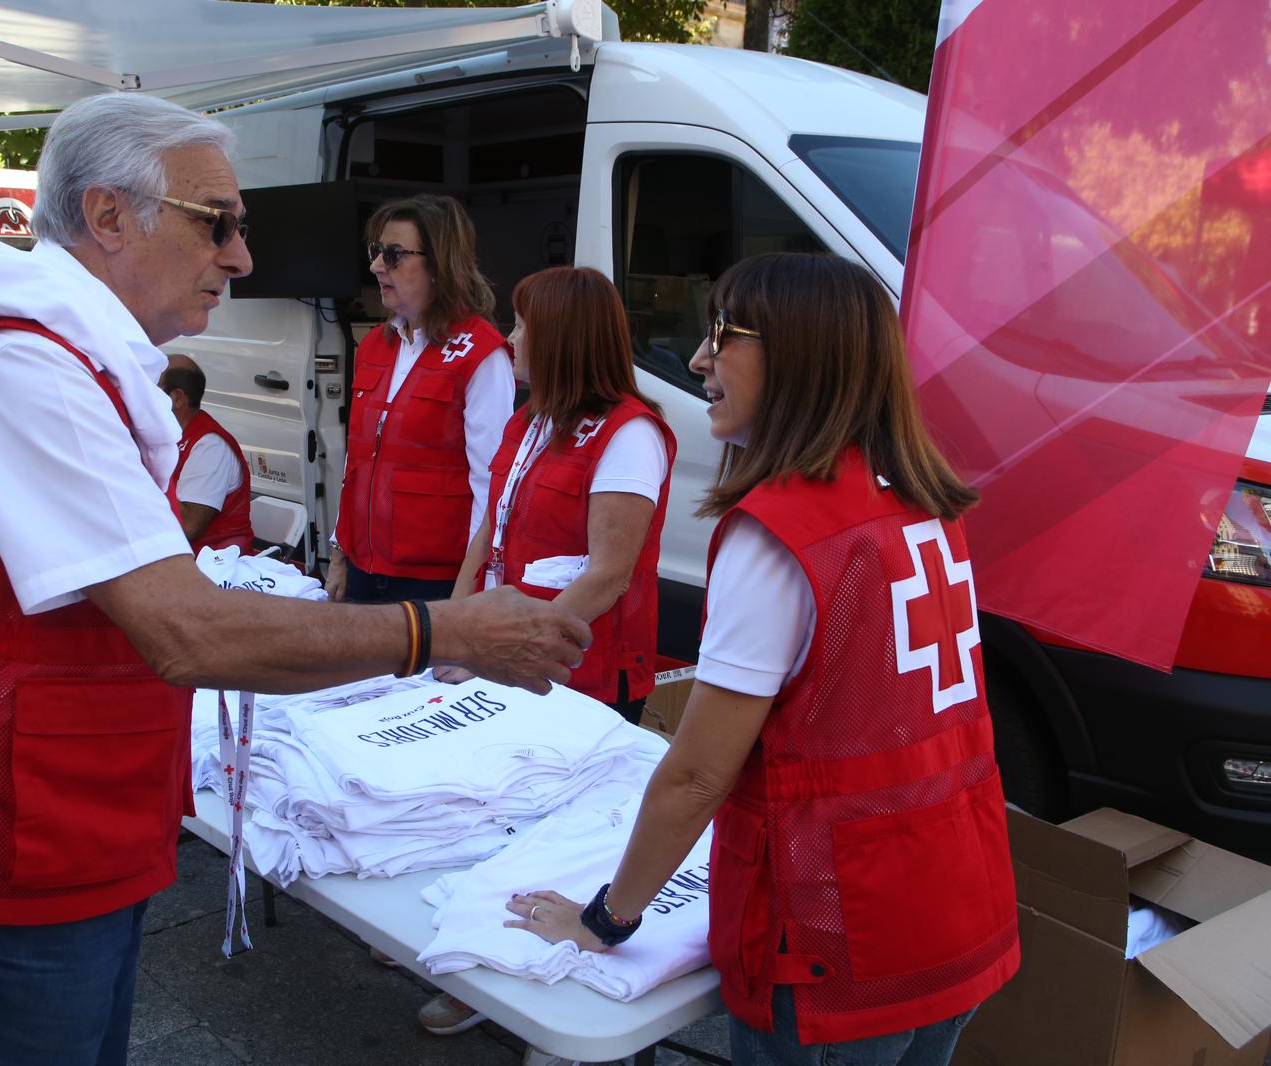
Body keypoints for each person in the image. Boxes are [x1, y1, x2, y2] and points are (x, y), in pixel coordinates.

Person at [0, 92, 588, 1066]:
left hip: (53, 814)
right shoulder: (23, 364)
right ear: (107, 216)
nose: (241, 256)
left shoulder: (46, 352)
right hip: (8, 830)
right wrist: (450, 631)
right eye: (215, 223)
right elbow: (185, 630)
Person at [505, 254, 1018, 1066]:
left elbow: (697, 775)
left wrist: (605, 919)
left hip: (833, 934)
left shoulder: (780, 531)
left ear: (800, 353)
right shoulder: (922, 495)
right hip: (954, 899)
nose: (701, 360)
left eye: (723, 334)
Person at [439, 266, 676, 725]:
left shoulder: (630, 434)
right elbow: (491, 528)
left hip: (579, 676)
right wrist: (455, 628)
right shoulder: (530, 419)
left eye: (524, 325)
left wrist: (508, 653)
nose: (511, 338)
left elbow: (609, 576)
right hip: (507, 662)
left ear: (561, 338)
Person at [325, 194, 515, 604]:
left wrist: (470, 590)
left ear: (440, 263)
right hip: (363, 570)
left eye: (393, 254)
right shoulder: (375, 344)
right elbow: (355, 462)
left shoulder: (482, 353)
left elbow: (492, 484)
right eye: (376, 251)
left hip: (435, 584)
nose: (376, 266)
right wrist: (339, 554)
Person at [159, 353, 252, 554]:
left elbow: (187, 526)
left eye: (152, 391)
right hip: (184, 559)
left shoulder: (210, 445)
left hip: (215, 565)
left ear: (177, 398)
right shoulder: (173, 436)